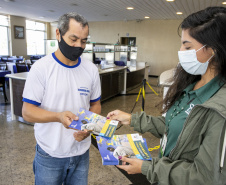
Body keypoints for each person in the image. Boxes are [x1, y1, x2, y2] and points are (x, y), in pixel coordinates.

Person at [107, 6, 226, 185]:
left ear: (213, 50)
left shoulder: (219, 109)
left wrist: (147, 168)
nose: (180, 51)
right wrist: (132, 119)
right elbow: (174, 126)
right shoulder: (192, 84)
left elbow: (205, 177)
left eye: (187, 46)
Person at [22, 12, 101, 185]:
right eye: (73, 39)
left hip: (81, 153)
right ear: (58, 34)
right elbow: (27, 112)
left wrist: (89, 128)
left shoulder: (91, 70)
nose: (78, 45)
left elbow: (95, 104)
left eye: (84, 41)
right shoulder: (41, 69)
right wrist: (57, 116)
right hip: (50, 154)